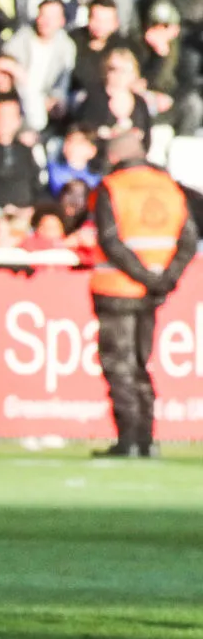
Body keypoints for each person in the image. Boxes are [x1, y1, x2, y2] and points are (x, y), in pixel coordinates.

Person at [85, 130, 200, 457]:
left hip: (117, 289)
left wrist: (141, 276)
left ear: (114, 156)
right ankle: (146, 440)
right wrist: (165, 278)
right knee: (139, 363)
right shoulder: (170, 186)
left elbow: (110, 240)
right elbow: (188, 239)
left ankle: (129, 440)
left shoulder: (112, 187)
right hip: (153, 292)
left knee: (118, 364)